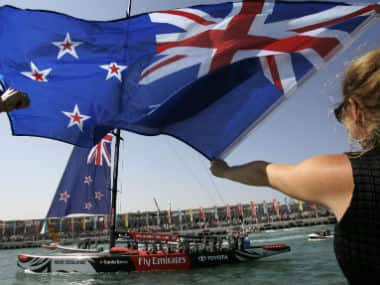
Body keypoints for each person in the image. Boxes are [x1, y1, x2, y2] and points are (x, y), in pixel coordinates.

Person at [210, 48, 380, 285]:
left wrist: (224, 171)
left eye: (340, 114)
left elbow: (263, 172)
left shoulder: (346, 175)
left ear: (355, 110)